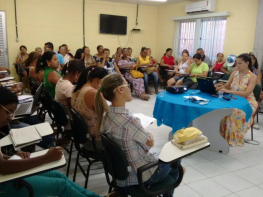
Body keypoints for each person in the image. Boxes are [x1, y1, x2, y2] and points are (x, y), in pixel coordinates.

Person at [0, 87, 101, 197]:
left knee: (58, 176)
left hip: (6, 174)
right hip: (4, 185)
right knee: (60, 185)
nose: (10, 118)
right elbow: (4, 167)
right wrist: (46, 158)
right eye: (8, 112)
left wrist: (10, 156)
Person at [94, 74, 182, 197]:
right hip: (141, 176)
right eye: (127, 85)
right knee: (177, 161)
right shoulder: (130, 121)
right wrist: (148, 137)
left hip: (119, 175)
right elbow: (149, 144)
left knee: (171, 164)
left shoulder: (105, 116)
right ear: (120, 90)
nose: (130, 88)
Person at [215, 54, 258, 146]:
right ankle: (221, 136)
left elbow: (247, 93)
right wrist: (219, 87)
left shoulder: (252, 77)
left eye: (240, 63)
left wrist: (229, 91)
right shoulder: (234, 74)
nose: (237, 65)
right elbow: (227, 86)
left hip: (247, 102)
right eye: (236, 63)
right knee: (222, 110)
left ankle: (233, 138)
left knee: (234, 111)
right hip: (234, 99)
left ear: (247, 63)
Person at [71, 67, 108, 141]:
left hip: (82, 134)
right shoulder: (93, 93)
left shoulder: (76, 89)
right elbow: (108, 115)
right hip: (95, 137)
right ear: (100, 81)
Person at [55, 60, 85, 130]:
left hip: (61, 117)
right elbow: (73, 109)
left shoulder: (61, 80)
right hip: (70, 121)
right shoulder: (68, 87)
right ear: (76, 73)